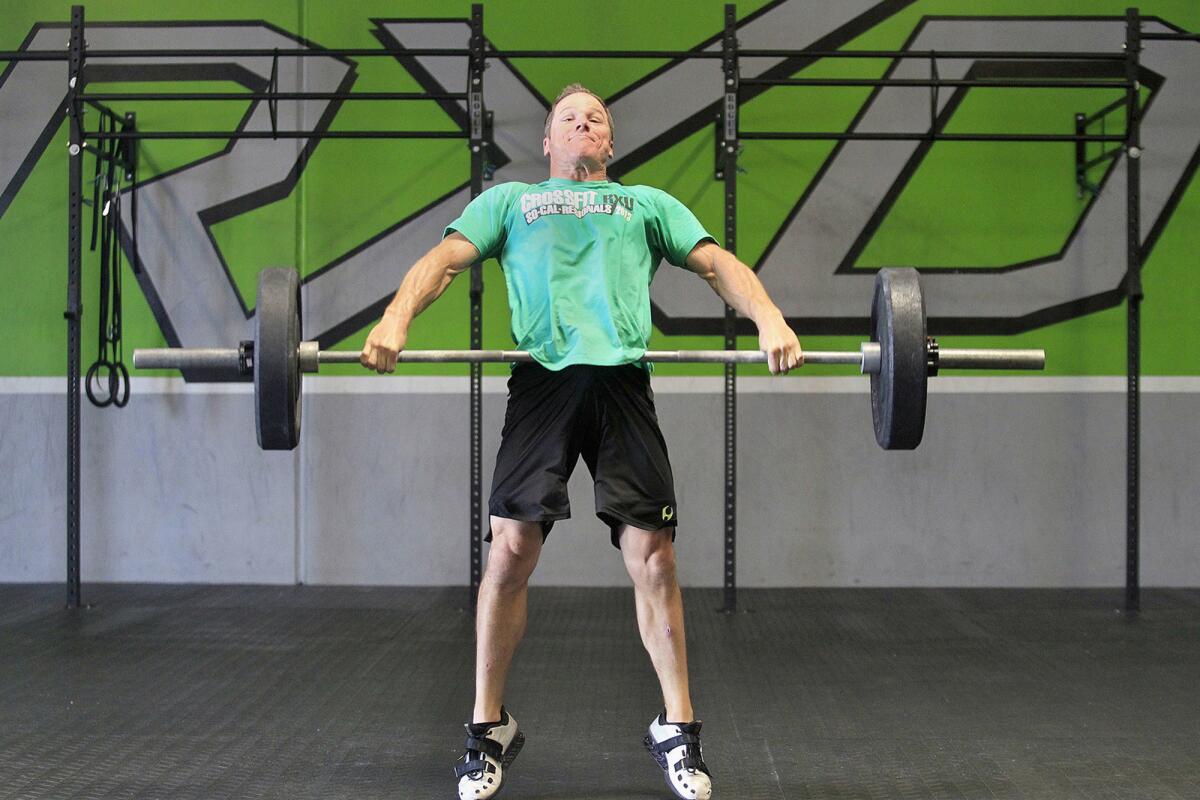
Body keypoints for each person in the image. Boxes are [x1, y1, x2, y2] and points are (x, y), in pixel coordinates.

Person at [361, 83, 802, 800]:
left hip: (621, 383)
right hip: (543, 382)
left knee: (652, 555)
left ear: (610, 142)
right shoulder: (510, 202)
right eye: (569, 116)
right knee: (511, 547)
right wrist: (395, 321)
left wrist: (770, 319)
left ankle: (678, 728)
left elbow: (720, 266)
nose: (583, 121)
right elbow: (441, 264)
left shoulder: (646, 204)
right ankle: (486, 728)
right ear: (547, 142)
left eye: (595, 117)